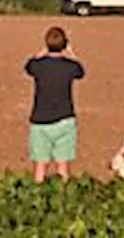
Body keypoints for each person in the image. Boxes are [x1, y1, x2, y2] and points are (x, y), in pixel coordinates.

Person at [24, 26, 85, 183]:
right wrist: (70, 52)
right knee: (62, 165)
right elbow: (81, 71)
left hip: (40, 120)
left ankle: (37, 194)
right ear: (64, 44)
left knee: (40, 165)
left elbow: (28, 65)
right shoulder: (70, 67)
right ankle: (63, 196)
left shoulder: (38, 66)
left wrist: (43, 51)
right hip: (65, 119)